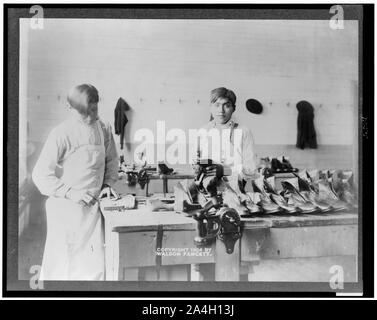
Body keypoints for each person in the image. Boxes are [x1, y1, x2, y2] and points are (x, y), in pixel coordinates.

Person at [32, 84, 119, 280]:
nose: (90, 117)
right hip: (66, 211)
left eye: (93, 110)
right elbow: (40, 175)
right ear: (70, 109)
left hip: (93, 212)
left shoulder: (103, 128)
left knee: (92, 269)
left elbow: (112, 161)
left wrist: (107, 185)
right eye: (83, 114)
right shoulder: (61, 133)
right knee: (62, 269)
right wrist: (71, 192)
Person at [197, 87, 259, 194]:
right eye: (216, 105)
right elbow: (196, 160)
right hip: (207, 193)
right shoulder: (203, 131)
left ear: (233, 108)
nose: (221, 110)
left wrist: (225, 171)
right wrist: (198, 167)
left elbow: (251, 170)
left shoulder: (244, 132)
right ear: (210, 108)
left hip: (235, 194)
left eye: (226, 105)